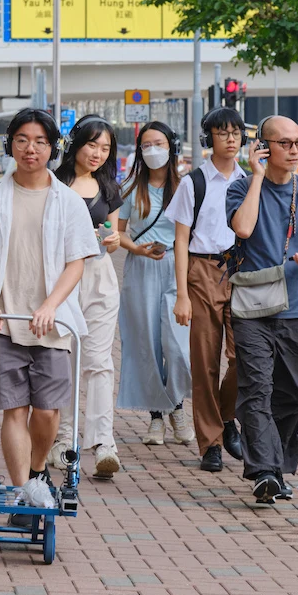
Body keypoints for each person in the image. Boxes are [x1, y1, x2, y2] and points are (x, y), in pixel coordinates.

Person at [0, 108, 95, 512]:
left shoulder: (68, 201)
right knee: (14, 409)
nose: (29, 149)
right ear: (10, 145)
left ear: (53, 148)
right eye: (21, 140)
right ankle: (21, 493)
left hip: (51, 322)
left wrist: (51, 305)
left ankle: (36, 473)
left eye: (39, 141)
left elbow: (77, 261)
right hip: (3, 319)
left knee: (48, 410)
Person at [226, 116, 298, 503]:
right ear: (264, 148)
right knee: (256, 389)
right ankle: (264, 472)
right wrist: (255, 177)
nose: (294, 151)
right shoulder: (240, 188)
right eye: (284, 144)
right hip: (252, 307)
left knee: (290, 396)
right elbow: (244, 229)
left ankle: (279, 465)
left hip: (297, 307)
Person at [165, 107, 248, 473]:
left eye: (236, 133)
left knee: (244, 355)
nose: (231, 139)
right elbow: (180, 241)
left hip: (242, 270)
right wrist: (182, 293)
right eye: (222, 133)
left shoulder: (249, 180)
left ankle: (227, 416)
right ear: (208, 138)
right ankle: (210, 443)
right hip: (201, 269)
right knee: (204, 361)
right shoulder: (193, 182)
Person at [46, 115, 124, 478]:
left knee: (99, 361)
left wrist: (113, 239)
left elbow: (116, 235)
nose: (97, 153)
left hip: (100, 280)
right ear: (76, 143)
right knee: (62, 361)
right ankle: (63, 440)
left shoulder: (109, 187)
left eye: (105, 148)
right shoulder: (54, 183)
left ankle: (103, 442)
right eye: (92, 144)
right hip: (62, 280)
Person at [115, 122, 194, 446]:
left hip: (178, 269)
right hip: (142, 268)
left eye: (158, 143)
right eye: (145, 145)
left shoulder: (186, 186)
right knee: (146, 345)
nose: (152, 151)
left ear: (171, 145)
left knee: (177, 348)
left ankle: (176, 406)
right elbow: (117, 231)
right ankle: (157, 417)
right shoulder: (131, 188)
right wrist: (135, 247)